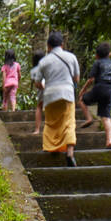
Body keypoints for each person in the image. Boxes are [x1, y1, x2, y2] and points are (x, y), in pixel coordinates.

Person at [35, 31, 80, 165]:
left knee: (51, 123)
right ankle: (70, 152)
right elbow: (76, 78)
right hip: (67, 94)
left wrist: (46, 88)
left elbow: (37, 83)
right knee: (69, 122)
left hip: (50, 95)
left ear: (48, 46)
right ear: (62, 44)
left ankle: (52, 150)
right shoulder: (71, 57)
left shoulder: (43, 61)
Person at [79, 42, 111, 147]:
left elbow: (91, 79)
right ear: (110, 54)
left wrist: (83, 90)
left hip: (99, 87)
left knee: (82, 100)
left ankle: (89, 118)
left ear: (96, 55)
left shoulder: (97, 63)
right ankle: (109, 140)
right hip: (110, 89)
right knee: (106, 117)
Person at [29, 50, 44, 136]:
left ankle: (37, 129)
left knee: (39, 107)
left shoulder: (33, 70)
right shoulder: (47, 66)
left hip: (41, 91)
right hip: (50, 89)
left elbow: (36, 84)